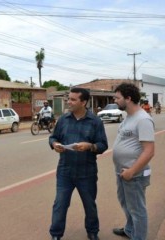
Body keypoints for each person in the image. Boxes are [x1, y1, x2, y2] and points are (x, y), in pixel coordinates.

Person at [48, 87, 108, 240]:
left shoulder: (95, 121)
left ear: (84, 102)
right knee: (60, 205)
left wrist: (90, 146)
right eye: (69, 99)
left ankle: (93, 232)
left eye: (73, 99)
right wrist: (55, 145)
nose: (69, 102)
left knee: (90, 205)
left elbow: (103, 145)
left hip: (87, 172)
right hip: (65, 171)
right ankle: (55, 235)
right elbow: (53, 137)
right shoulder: (63, 120)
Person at [112, 83, 155, 240]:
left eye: (117, 97)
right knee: (126, 204)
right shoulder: (129, 117)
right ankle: (130, 230)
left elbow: (149, 151)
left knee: (137, 209)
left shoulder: (143, 119)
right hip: (122, 172)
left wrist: (132, 171)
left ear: (128, 98)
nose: (115, 100)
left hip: (134, 174)